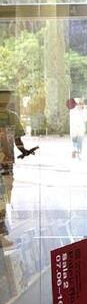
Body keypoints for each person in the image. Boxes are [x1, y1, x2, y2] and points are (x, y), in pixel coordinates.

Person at [0, 89, 36, 247]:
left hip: (7, 164)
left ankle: (1, 234)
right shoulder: (11, 116)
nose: (6, 99)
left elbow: (17, 139)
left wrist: (24, 151)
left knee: (4, 198)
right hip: (6, 163)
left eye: (7, 96)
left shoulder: (12, 117)